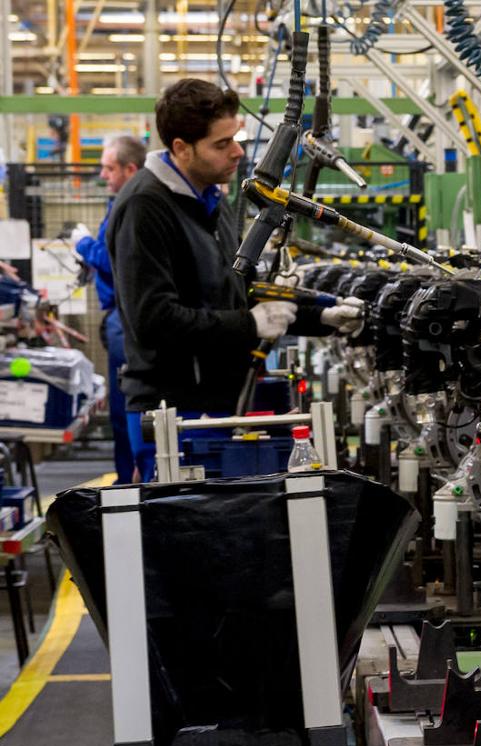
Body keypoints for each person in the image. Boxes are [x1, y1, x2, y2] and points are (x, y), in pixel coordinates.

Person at [106, 79, 363, 481]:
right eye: (222, 143)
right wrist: (250, 325)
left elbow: (237, 291)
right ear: (181, 148)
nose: (238, 152)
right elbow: (152, 319)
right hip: (173, 412)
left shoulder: (210, 198)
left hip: (217, 401)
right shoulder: (145, 207)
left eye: (236, 139)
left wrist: (320, 317)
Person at [71, 135, 147, 484]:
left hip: (126, 315)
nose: (103, 175)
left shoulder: (129, 207)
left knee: (127, 404)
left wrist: (83, 244)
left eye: (108, 167)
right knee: (124, 404)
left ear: (130, 169)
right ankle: (128, 477)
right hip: (120, 315)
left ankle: (130, 480)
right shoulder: (121, 203)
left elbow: (112, 259)